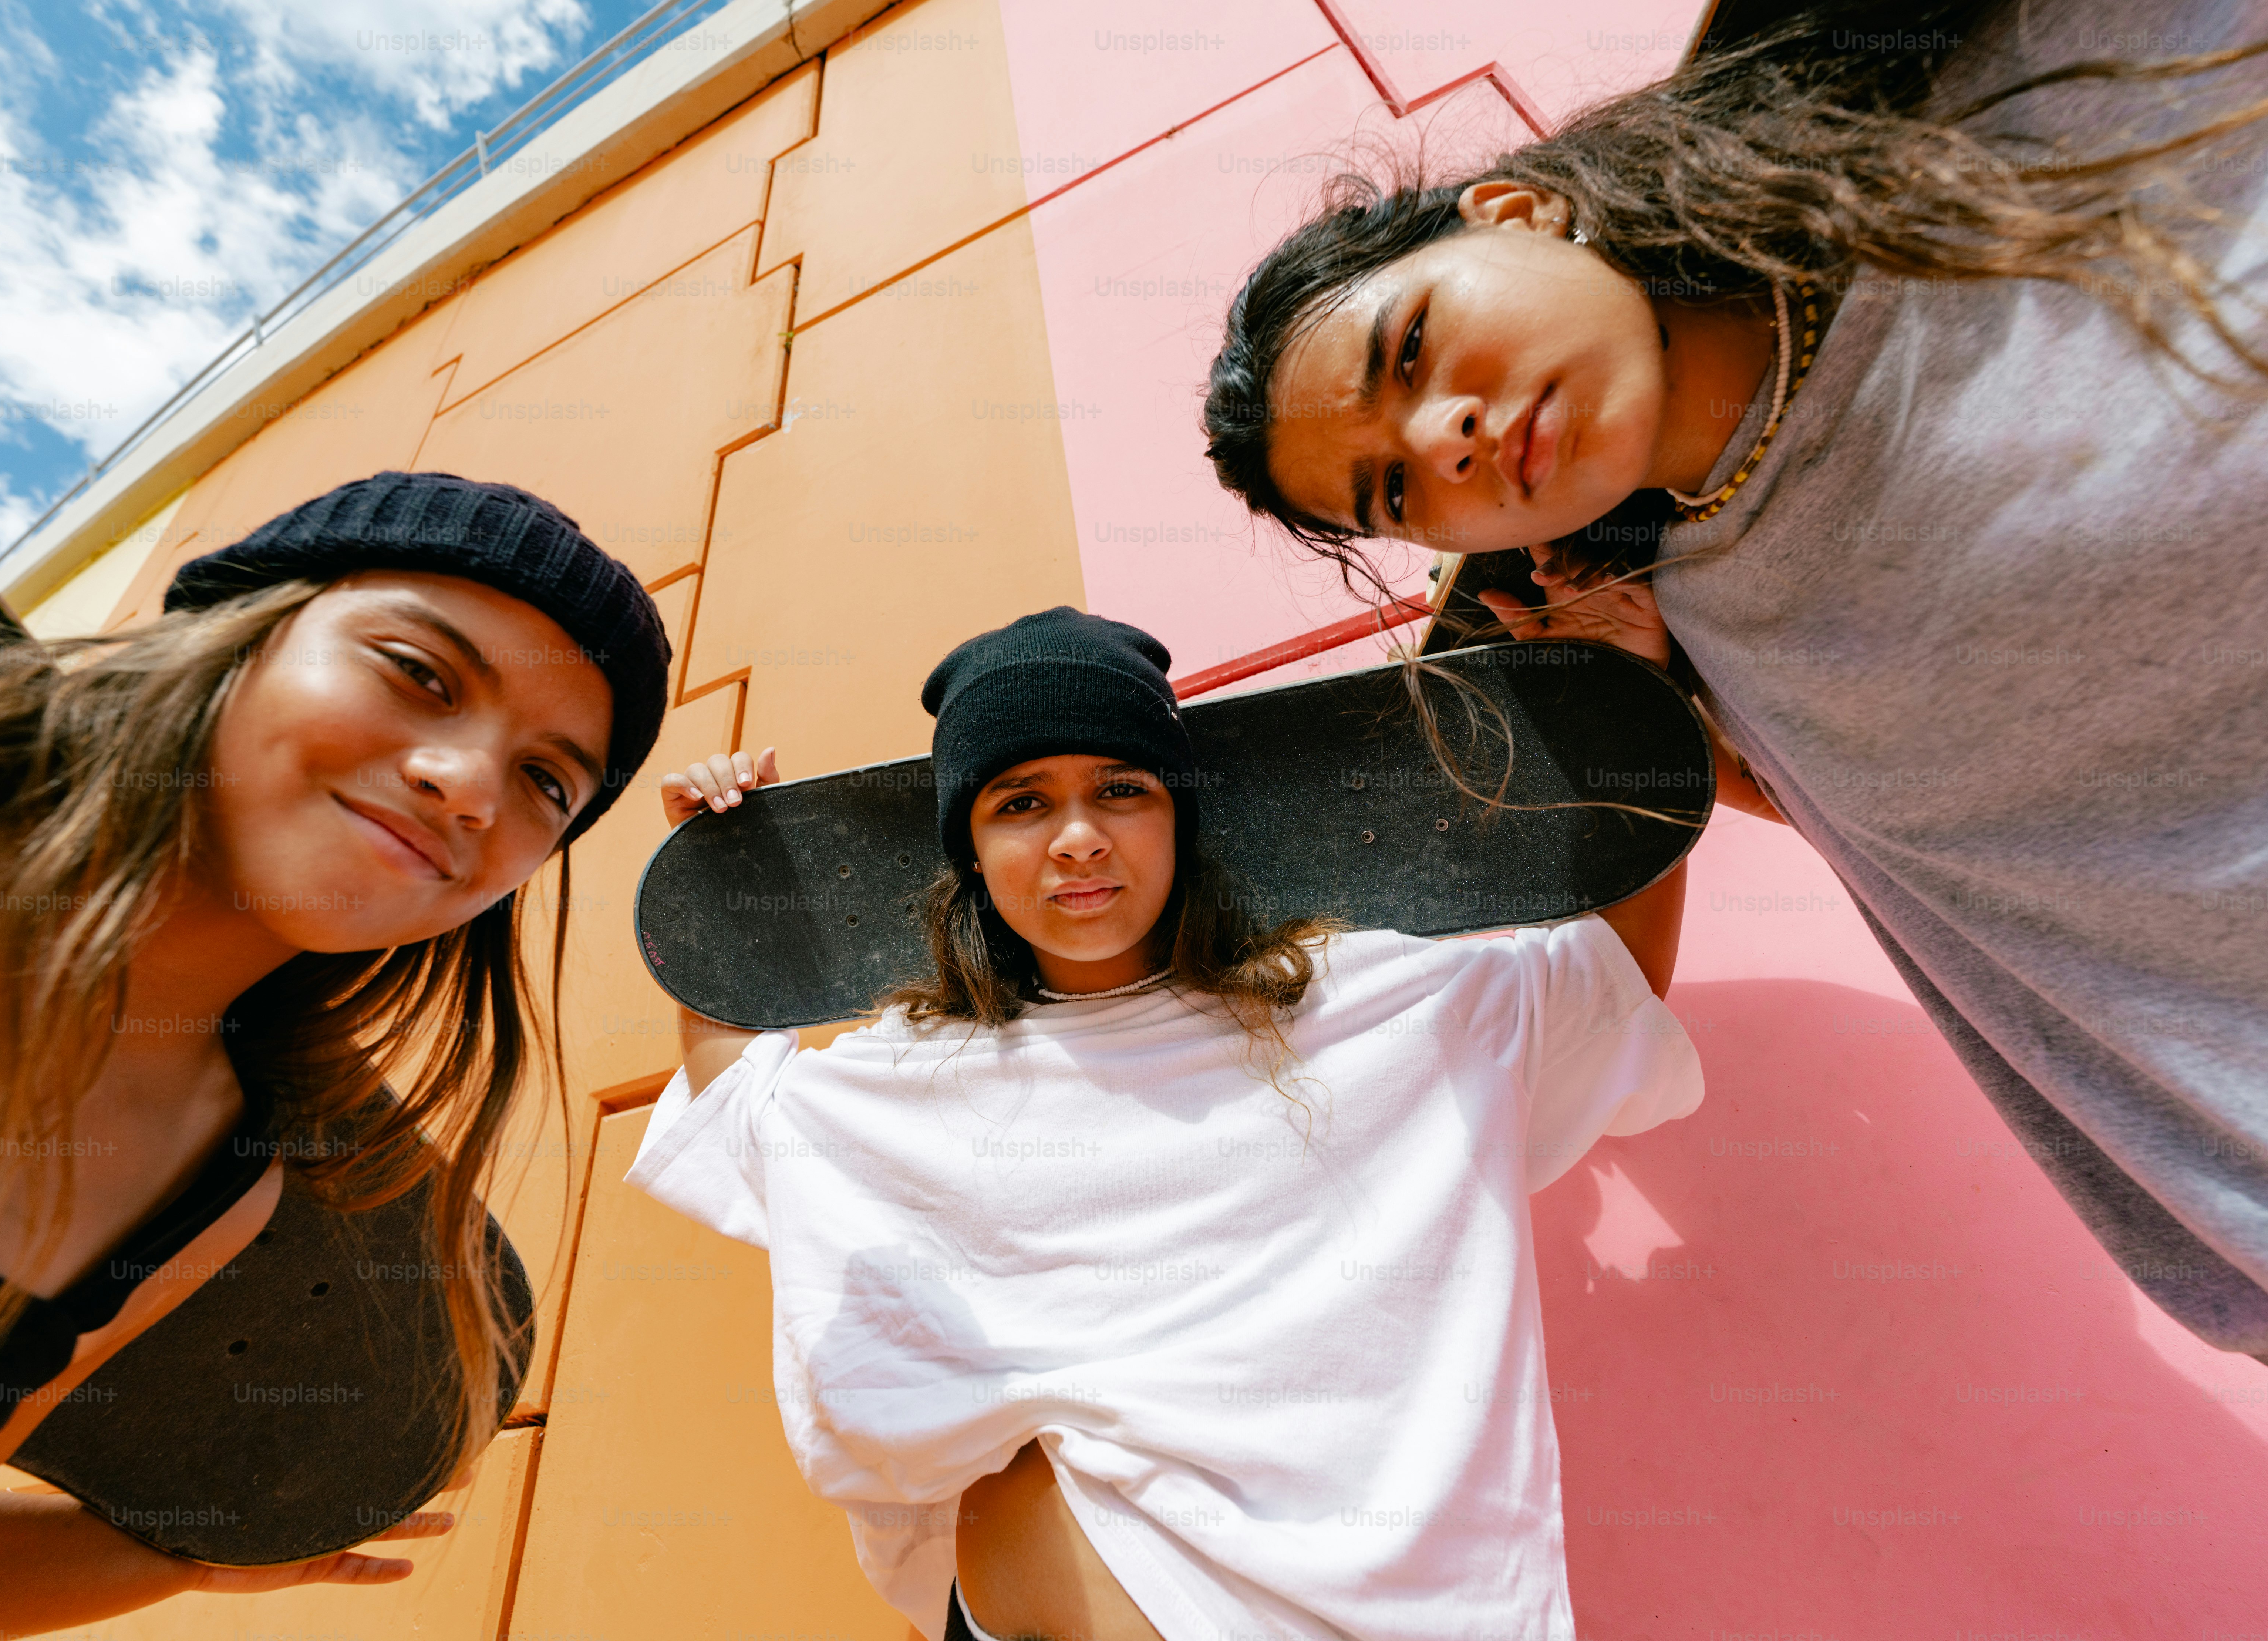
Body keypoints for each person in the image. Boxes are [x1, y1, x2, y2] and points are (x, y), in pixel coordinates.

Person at [1201, 0, 2268, 1358]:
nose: (1448, 435)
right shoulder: (1701, 630)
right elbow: (1958, 842)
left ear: (1517, 213)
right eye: (1396, 486)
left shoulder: (2005, 154)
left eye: (1409, 351)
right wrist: (1653, 712)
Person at [630, 606, 1703, 1641]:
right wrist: (722, 885)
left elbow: (1613, 983)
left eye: (1122, 788)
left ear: (1179, 811)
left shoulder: (1370, 1007)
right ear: (969, 847)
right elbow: (739, 1096)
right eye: (1020, 804)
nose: (1080, 839)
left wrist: (1638, 706)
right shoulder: (909, 1078)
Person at [0, 471, 670, 1634]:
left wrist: (179, 1565)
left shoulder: (204, 1193)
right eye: (419, 672)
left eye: (544, 781)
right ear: (242, 633)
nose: (466, 785)